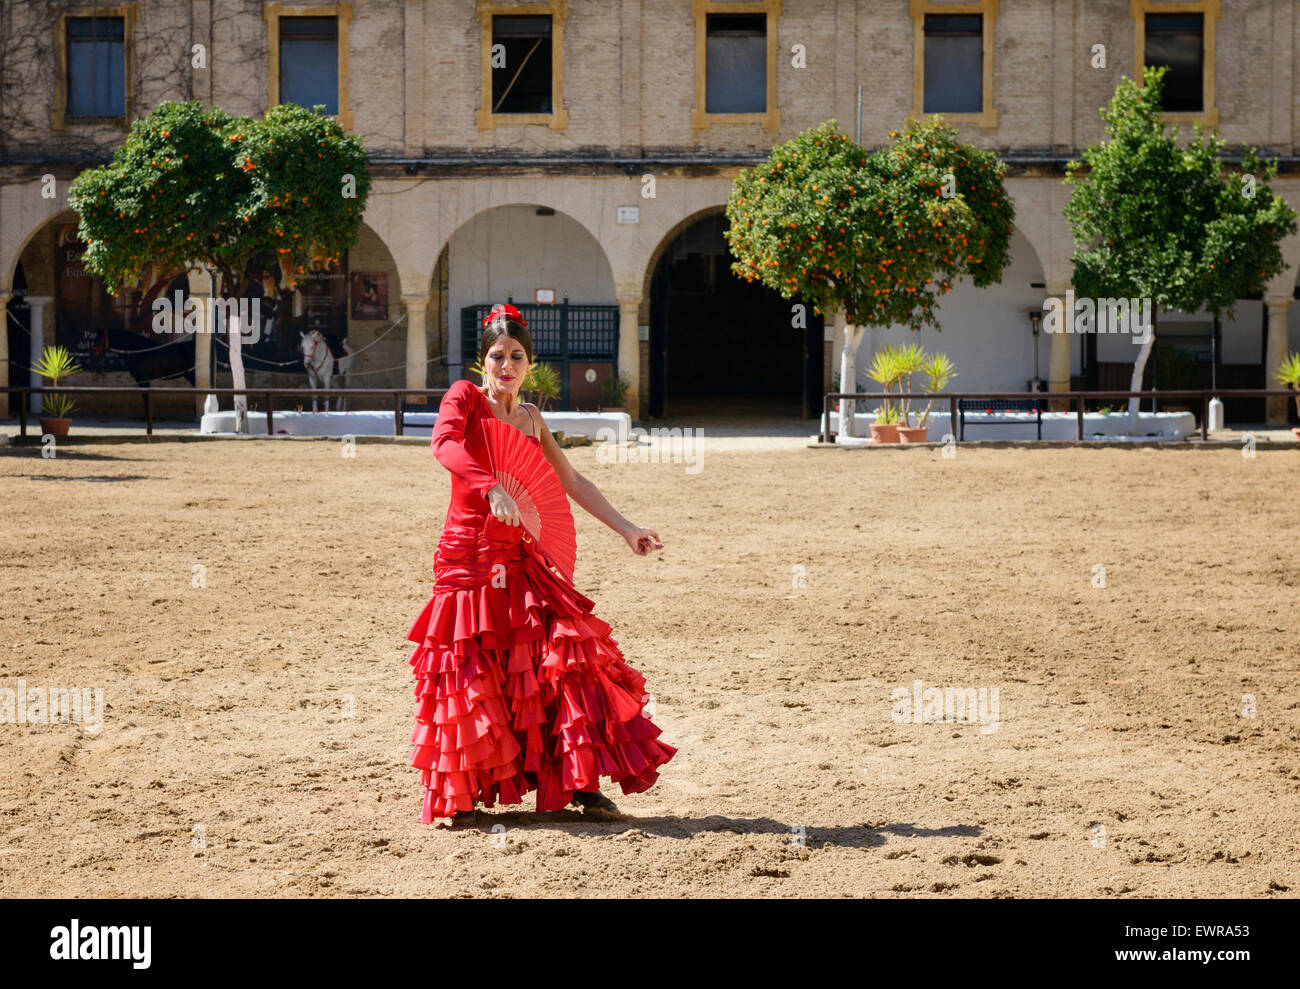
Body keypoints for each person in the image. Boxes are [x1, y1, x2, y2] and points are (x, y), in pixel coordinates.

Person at [404, 302, 676, 826]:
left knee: (565, 659)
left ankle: (577, 782)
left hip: (522, 556)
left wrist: (628, 529)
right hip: (469, 555)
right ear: (483, 362)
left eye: (518, 357)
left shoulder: (529, 418)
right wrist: (490, 487)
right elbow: (442, 445)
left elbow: (571, 482)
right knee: (472, 671)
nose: (507, 366)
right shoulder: (463, 399)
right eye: (498, 356)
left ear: (530, 364)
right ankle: (463, 791)